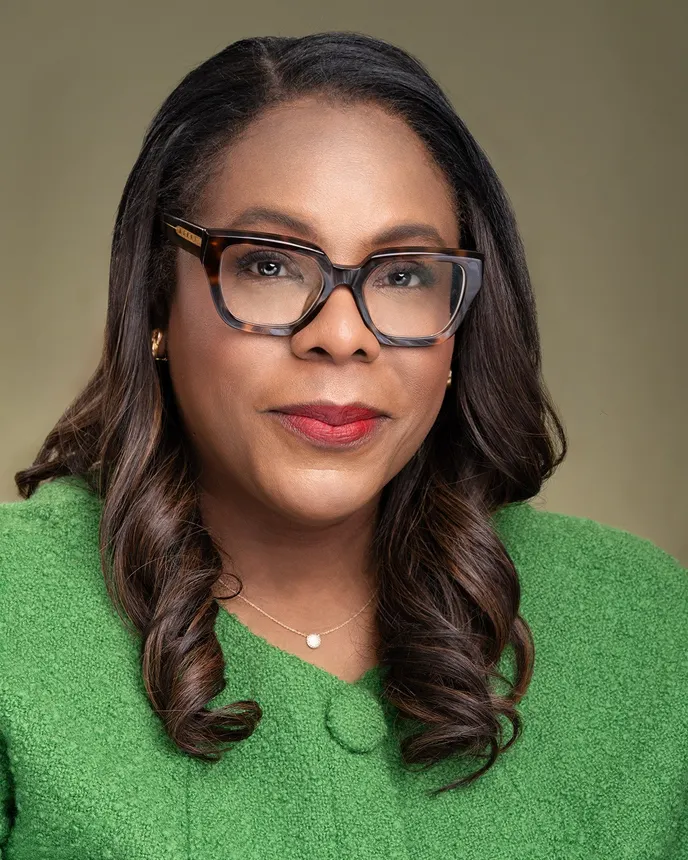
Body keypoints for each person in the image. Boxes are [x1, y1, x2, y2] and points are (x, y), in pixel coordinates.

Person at [0, 31, 685, 860]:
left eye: (403, 274)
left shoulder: (647, 625)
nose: (341, 335)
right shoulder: (15, 612)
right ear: (154, 301)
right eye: (269, 264)